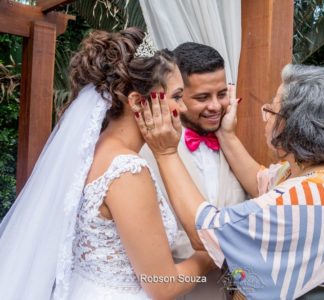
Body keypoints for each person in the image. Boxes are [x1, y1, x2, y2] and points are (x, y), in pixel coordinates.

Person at [0, 28, 215, 299]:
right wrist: (207, 256)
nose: (183, 109)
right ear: (138, 102)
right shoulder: (126, 170)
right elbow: (162, 285)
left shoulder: (89, 151)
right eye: (176, 97)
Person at [136, 64, 324, 299]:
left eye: (271, 111)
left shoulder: (313, 197)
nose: (265, 119)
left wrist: (166, 153)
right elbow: (263, 182)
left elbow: (205, 232)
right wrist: (226, 135)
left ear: (295, 126)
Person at [140, 42, 247, 299]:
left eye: (222, 94)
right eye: (202, 97)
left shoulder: (233, 147)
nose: (215, 106)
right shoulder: (145, 153)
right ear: (179, 96)